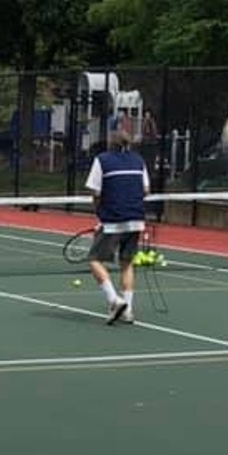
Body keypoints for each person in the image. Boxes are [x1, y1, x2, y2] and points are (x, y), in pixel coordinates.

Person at [84, 129, 150, 325]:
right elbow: (145, 189)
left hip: (113, 220)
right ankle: (127, 310)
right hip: (136, 219)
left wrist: (101, 213)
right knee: (127, 263)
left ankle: (114, 300)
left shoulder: (102, 160)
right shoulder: (138, 160)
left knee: (94, 259)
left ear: (110, 143)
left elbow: (95, 192)